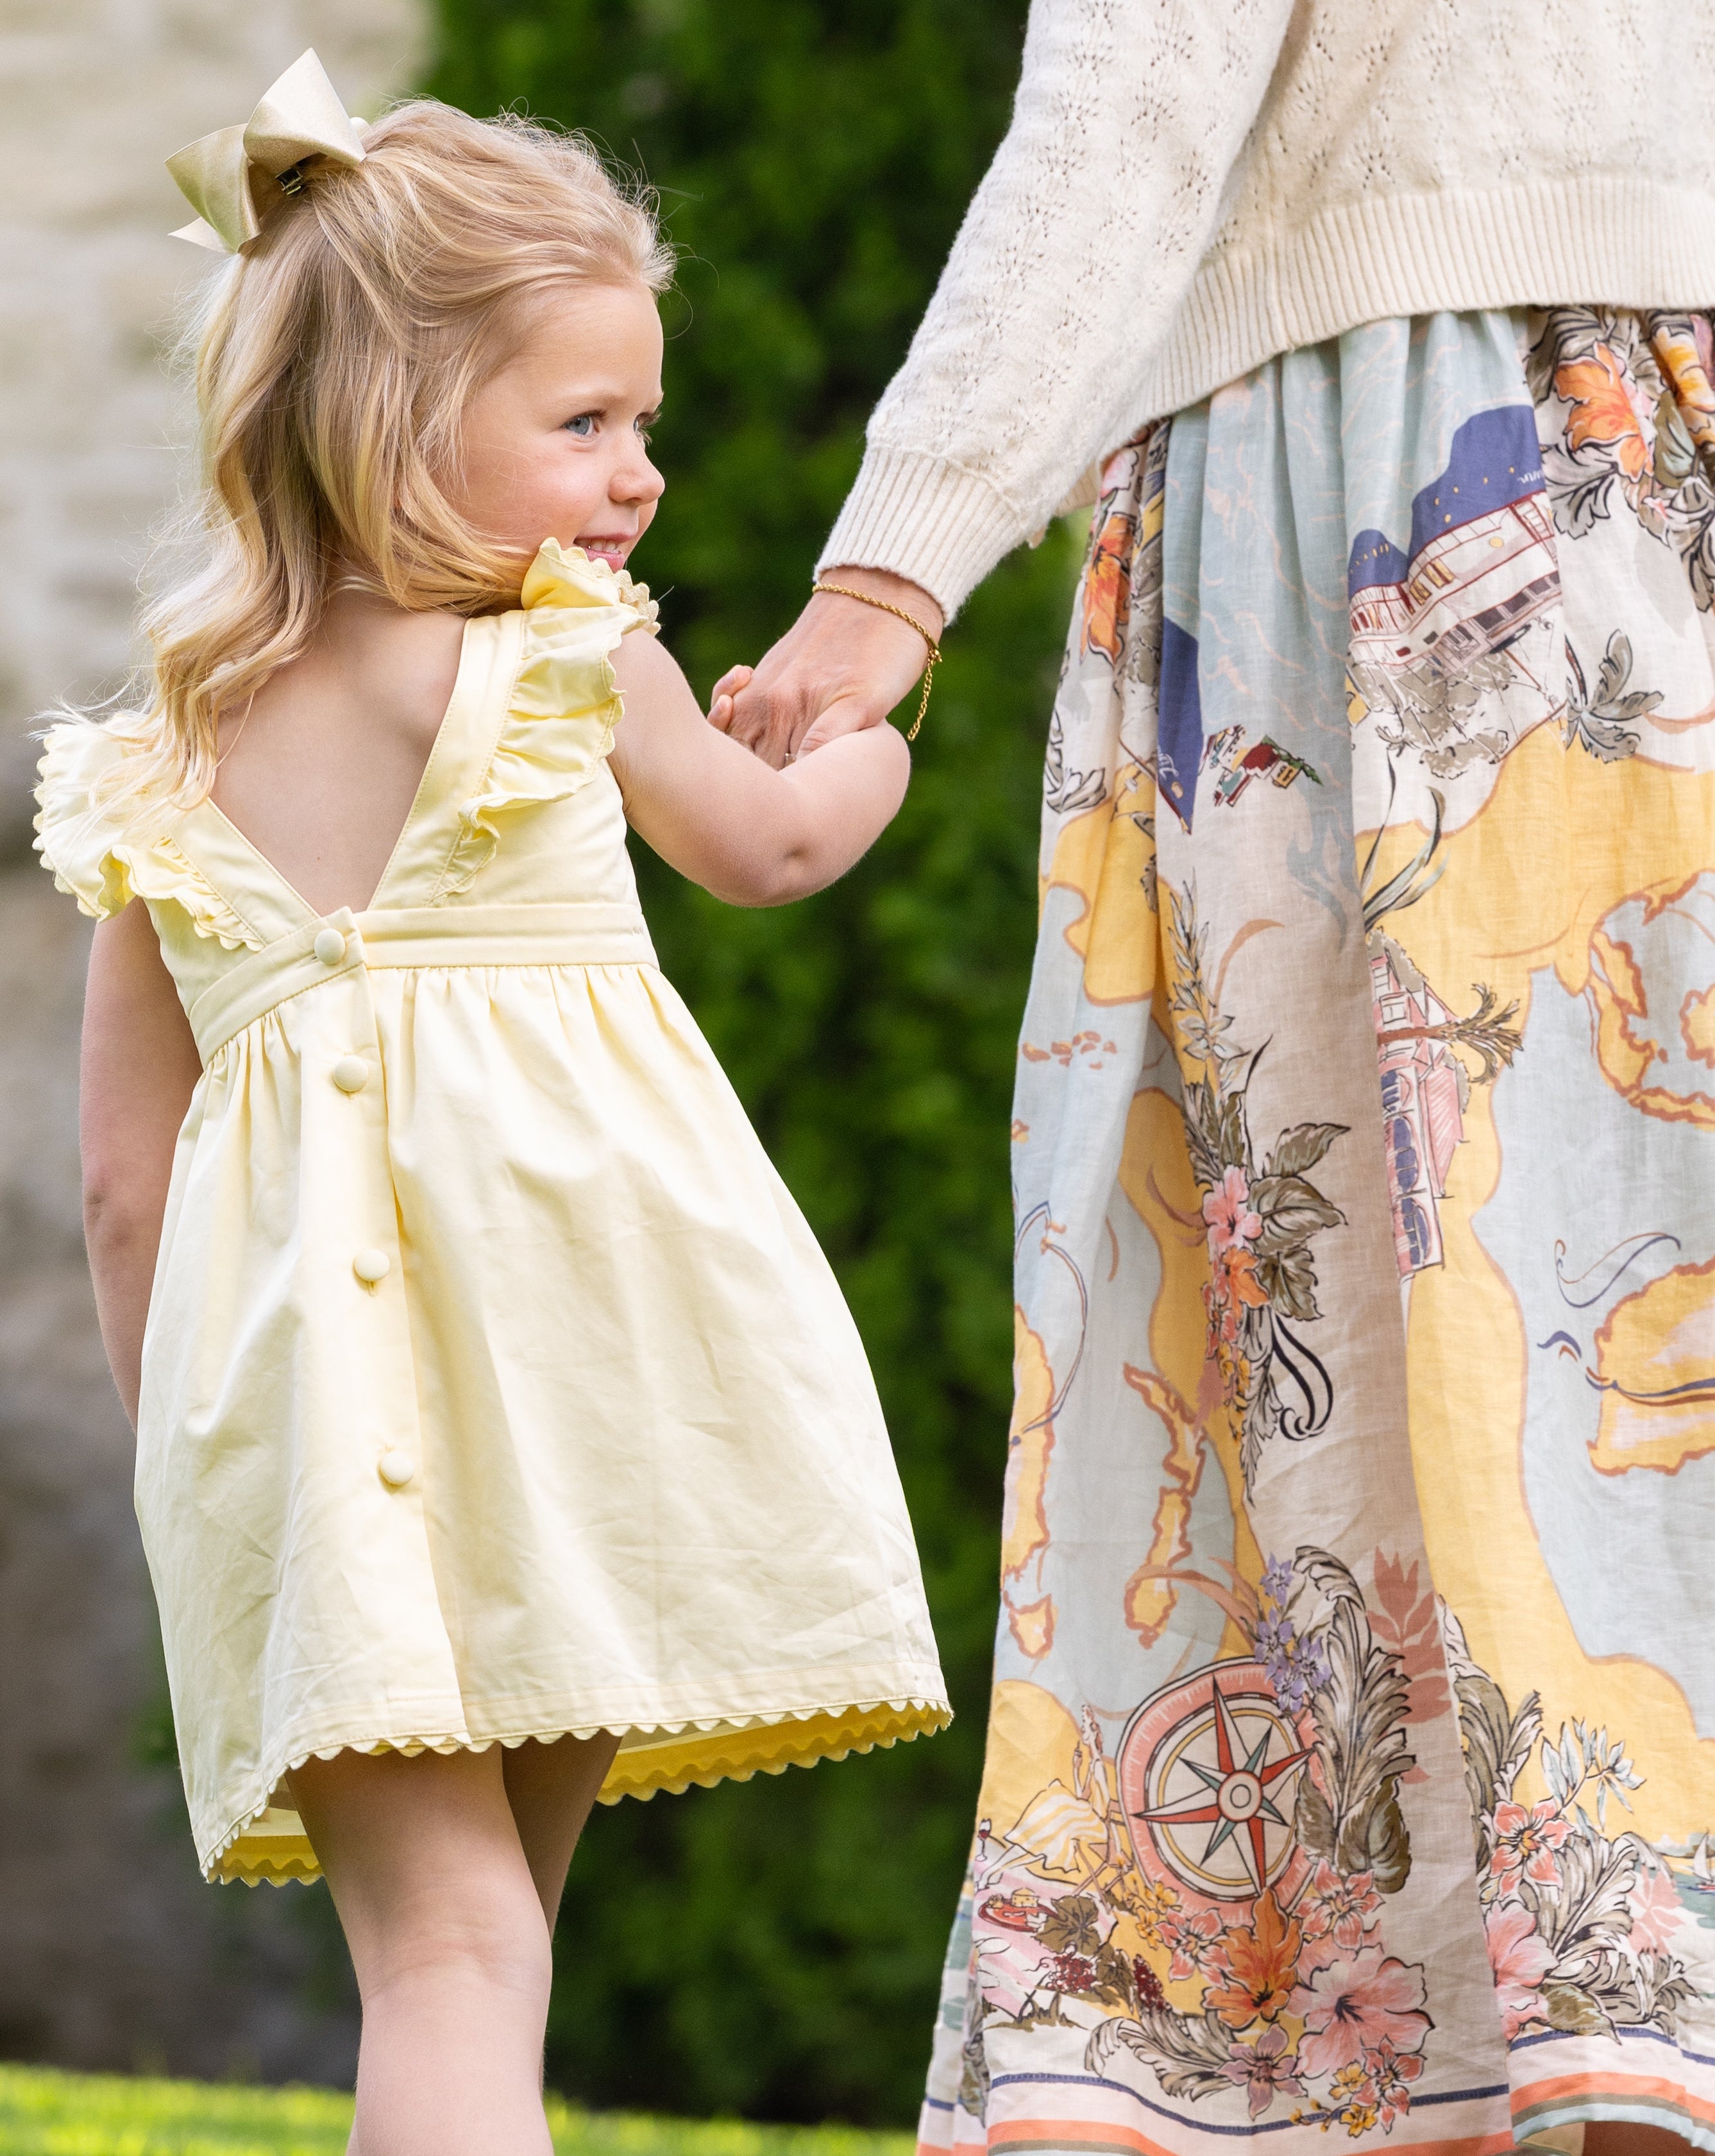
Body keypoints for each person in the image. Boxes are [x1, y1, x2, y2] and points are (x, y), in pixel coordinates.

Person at [713, 6, 1715, 2156]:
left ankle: (1463, 2077)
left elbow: (1127, 113)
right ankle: (1624, 2043)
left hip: (1378, 511)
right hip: (1663, 497)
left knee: (1325, 1334)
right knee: (1609, 1329)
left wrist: (881, 586)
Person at [35, 55, 949, 2156]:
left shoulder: (165, 768)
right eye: (582, 422)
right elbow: (774, 845)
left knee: (452, 1961)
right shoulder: (556, 662)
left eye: (640, 418)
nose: (636, 472)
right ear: (392, 416)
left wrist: (200, 1477)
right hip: (584, 1386)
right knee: (479, 1954)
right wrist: (871, 733)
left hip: (314, 1436)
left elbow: (118, 1179)